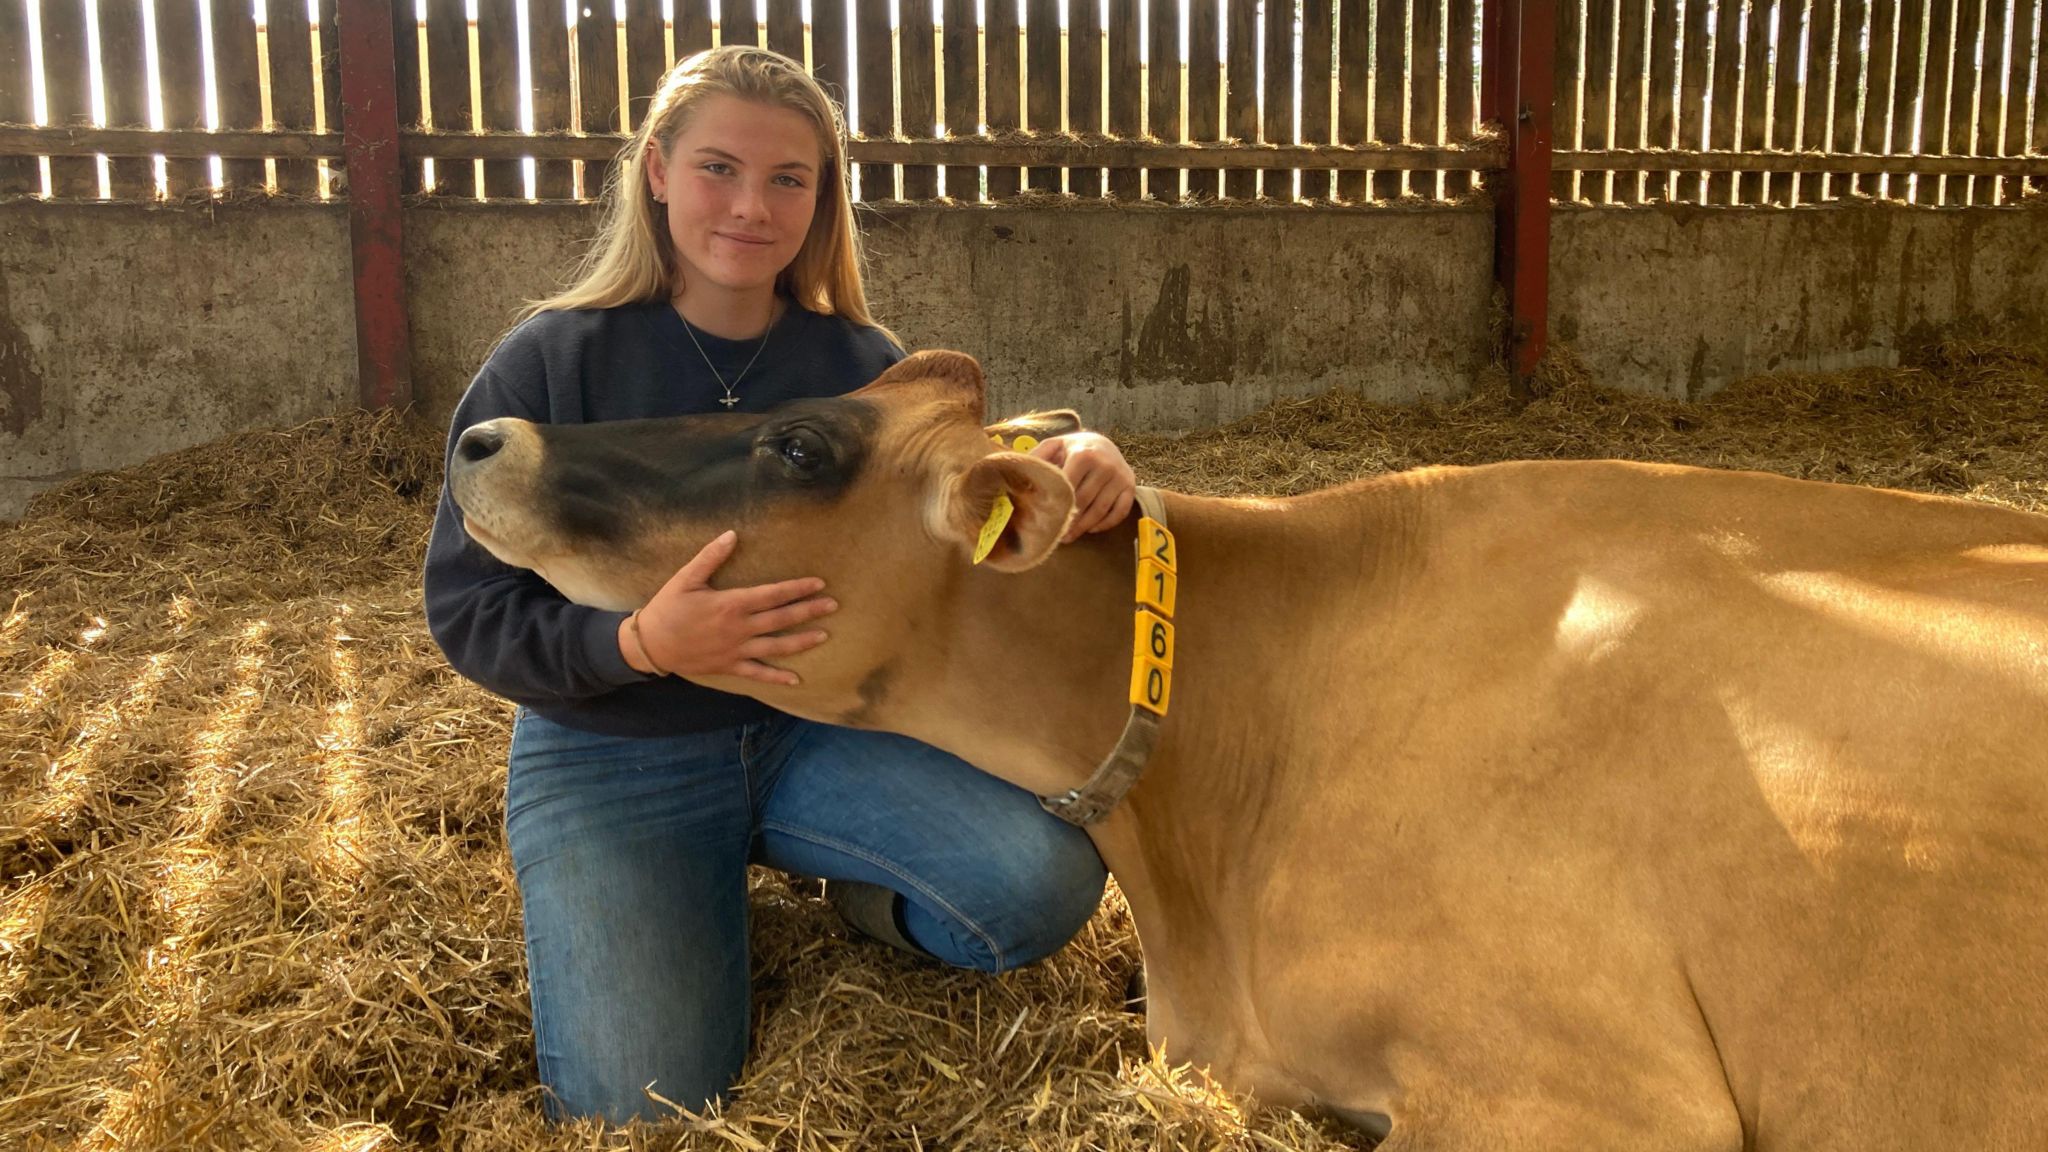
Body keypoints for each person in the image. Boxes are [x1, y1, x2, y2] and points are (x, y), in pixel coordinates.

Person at [423, 46, 1137, 1124]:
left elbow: (964, 496)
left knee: (1033, 893)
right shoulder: (552, 360)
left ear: (821, 197)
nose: (750, 207)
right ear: (657, 173)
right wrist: (637, 650)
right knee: (641, 1109)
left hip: (813, 735)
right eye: (717, 168)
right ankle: (672, 883)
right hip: (613, 749)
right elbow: (466, 610)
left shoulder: (861, 362)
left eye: (787, 179)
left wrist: (1080, 456)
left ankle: (858, 901)